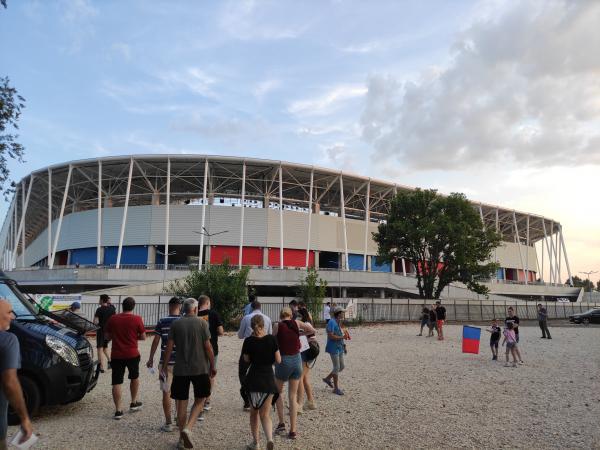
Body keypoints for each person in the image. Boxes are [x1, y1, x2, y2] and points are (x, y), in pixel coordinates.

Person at [162, 298, 216, 450]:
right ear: (195, 309)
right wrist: (213, 365)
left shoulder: (176, 324)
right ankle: (188, 428)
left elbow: (169, 347)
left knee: (181, 403)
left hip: (180, 369)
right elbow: (208, 347)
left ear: (183, 309)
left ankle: (181, 439)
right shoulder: (202, 323)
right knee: (201, 399)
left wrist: (164, 366)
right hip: (200, 368)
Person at [272, 307, 315, 440]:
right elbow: (312, 330)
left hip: (283, 360)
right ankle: (293, 430)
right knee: (292, 395)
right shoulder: (297, 323)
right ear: (291, 315)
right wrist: (300, 334)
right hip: (297, 360)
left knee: (278, 392)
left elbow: (273, 341)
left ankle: (281, 424)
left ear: (280, 315)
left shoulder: (277, 325)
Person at [242, 314, 280, 450]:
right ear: (264, 325)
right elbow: (278, 360)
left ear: (251, 326)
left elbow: (246, 360)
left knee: (254, 413)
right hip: (268, 379)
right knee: (265, 414)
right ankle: (269, 438)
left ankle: (256, 442)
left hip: (253, 380)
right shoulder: (271, 339)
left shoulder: (248, 341)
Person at [104, 297, 146, 420]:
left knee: (116, 381)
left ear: (122, 306)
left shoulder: (113, 318)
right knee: (134, 377)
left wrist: (116, 336)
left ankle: (118, 410)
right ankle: (133, 402)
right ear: (133, 306)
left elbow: (107, 336)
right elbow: (143, 337)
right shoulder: (137, 319)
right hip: (132, 354)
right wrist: (133, 337)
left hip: (116, 355)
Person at [0, 299, 33, 450]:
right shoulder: (8, 340)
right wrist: (24, 418)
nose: (13, 317)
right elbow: (10, 383)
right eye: (8, 312)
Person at [146, 297, 182, 432]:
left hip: (165, 363)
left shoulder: (162, 321)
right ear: (180, 306)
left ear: (169, 306)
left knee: (166, 392)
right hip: (180, 363)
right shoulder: (183, 321)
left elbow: (156, 340)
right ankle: (179, 419)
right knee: (180, 393)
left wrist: (150, 358)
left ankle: (168, 423)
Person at [238, 300, 272, 410]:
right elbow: (270, 334)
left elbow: (240, 335)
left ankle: (248, 397)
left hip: (249, 345)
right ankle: (262, 396)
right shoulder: (267, 318)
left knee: (243, 371)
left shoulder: (246, 318)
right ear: (260, 307)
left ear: (251, 307)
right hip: (264, 346)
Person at [197, 295, 224, 413]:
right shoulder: (214, 314)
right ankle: (207, 400)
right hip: (212, 348)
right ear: (207, 303)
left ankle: (199, 400)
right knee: (211, 373)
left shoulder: (194, 314)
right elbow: (221, 331)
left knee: (199, 373)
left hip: (197, 349)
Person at [296, 307, 318, 412]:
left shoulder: (304, 325)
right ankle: (311, 401)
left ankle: (299, 405)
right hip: (311, 351)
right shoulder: (308, 323)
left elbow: (305, 337)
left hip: (305, 351)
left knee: (299, 377)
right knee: (305, 378)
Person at [323, 306, 347, 397]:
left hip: (339, 347)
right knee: (336, 367)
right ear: (339, 313)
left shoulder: (338, 322)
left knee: (342, 366)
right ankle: (336, 388)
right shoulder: (331, 322)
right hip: (333, 348)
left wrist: (344, 345)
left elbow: (340, 334)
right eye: (342, 312)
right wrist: (342, 338)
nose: (343, 314)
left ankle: (327, 378)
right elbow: (331, 336)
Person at [94, 294, 116, 373]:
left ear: (102, 300)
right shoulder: (112, 309)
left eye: (99, 299)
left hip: (101, 331)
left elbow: (95, 322)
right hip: (109, 332)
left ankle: (101, 367)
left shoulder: (99, 309)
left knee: (99, 348)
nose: (98, 301)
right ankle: (110, 361)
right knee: (105, 347)